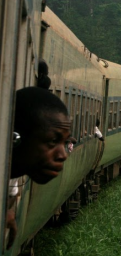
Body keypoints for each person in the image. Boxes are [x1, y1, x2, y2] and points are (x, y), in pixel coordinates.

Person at [6, 87, 72, 249]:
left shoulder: (11, 175)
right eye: (52, 141)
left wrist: (6, 211)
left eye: (64, 142)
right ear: (15, 138)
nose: (63, 155)